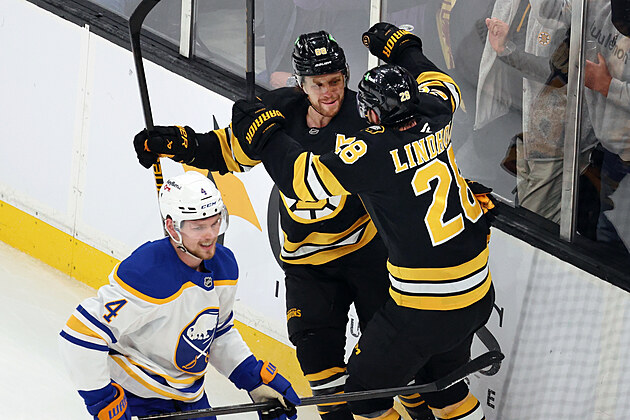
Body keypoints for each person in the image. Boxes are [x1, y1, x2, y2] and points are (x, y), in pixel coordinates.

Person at [132, 32, 431, 420]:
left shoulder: (366, 116)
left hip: (366, 255)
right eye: (318, 84)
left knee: (397, 371)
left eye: (335, 81)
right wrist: (176, 142)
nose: (329, 92)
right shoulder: (279, 111)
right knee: (321, 373)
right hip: (307, 268)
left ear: (346, 75)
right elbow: (227, 151)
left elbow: (408, 160)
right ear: (301, 83)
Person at [230, 22, 496, 420]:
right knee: (448, 392)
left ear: (371, 114)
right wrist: (404, 49)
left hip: (425, 306)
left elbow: (301, 181)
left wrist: (266, 134)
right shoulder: (436, 110)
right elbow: (441, 82)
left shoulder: (371, 152)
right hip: (477, 292)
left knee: (363, 397)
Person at [58, 171, 300, 420]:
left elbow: (217, 332)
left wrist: (253, 377)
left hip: (189, 398)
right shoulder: (147, 271)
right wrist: (103, 401)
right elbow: (81, 334)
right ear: (172, 227)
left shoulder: (224, 267)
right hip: (136, 396)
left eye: (215, 222)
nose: (210, 235)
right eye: (198, 227)